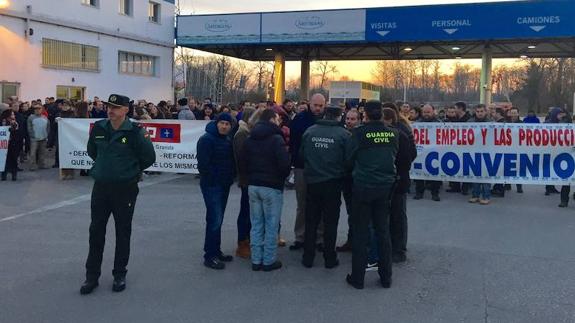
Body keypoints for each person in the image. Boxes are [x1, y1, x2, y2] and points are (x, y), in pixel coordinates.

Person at [80, 94, 156, 295]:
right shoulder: (99, 127)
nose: (110, 110)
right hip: (101, 187)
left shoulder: (135, 131)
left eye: (115, 107)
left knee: (123, 232)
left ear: (125, 110)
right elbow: (92, 151)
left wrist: (129, 171)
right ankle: (91, 276)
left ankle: (119, 274)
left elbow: (148, 157)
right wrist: (106, 167)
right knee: (96, 231)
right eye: (108, 106)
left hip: (125, 189)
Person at [346, 100, 398, 290]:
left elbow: (349, 158)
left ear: (365, 115)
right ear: (382, 115)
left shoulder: (359, 133)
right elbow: (395, 155)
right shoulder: (393, 133)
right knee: (383, 231)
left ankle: (358, 279)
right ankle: (386, 278)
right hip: (385, 187)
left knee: (361, 233)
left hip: (363, 186)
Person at [239, 109, 291, 271]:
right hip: (272, 186)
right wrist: (281, 178)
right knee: (271, 225)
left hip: (253, 186)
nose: (279, 121)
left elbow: (242, 163)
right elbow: (284, 165)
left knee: (256, 223)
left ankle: (256, 260)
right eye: (277, 118)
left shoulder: (249, 138)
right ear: (271, 119)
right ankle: (268, 260)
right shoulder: (276, 139)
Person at [299, 106, 351, 269]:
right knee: (330, 222)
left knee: (311, 221)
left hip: (313, 181)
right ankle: (329, 257)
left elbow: (302, 155)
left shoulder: (310, 131)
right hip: (333, 183)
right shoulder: (344, 135)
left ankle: (308, 257)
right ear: (338, 117)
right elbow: (349, 159)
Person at [197, 113, 236, 270]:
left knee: (218, 220)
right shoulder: (206, 140)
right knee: (214, 220)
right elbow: (203, 165)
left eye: (227, 124)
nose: (224, 126)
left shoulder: (226, 139)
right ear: (217, 123)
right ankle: (210, 255)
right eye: (222, 123)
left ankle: (216, 251)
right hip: (212, 185)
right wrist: (215, 178)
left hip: (224, 184)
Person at [288, 93, 326, 251]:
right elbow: (293, 143)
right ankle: (300, 237)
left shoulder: (328, 120)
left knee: (322, 205)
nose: (317, 108)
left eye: (320, 106)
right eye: (315, 105)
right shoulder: (299, 119)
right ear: (309, 103)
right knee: (302, 204)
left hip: (323, 170)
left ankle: (319, 238)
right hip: (302, 167)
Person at [382, 105, 417, 263]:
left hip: (398, 178)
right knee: (394, 214)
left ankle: (399, 249)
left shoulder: (400, 132)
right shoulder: (401, 129)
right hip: (396, 178)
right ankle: (392, 247)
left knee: (397, 214)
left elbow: (410, 155)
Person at [232, 107, 256, 259]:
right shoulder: (242, 134)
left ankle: (247, 239)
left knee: (249, 211)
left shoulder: (247, 132)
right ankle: (242, 242)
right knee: (245, 212)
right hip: (246, 179)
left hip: (249, 178)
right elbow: (241, 159)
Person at [337, 109, 361, 252]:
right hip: (346, 179)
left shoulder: (360, 135)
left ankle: (357, 241)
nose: (350, 122)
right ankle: (351, 241)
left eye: (353, 119)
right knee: (351, 213)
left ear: (358, 120)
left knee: (358, 213)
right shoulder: (342, 133)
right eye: (348, 119)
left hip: (357, 179)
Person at [413, 104, 441, 201]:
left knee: (435, 174)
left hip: (435, 152)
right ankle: (419, 192)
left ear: (433, 112)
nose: (426, 114)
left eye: (428, 112)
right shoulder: (417, 123)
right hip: (421, 152)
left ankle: (435, 193)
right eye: (424, 112)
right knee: (419, 173)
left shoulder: (439, 123)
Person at [545, 107, 571, 207]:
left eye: (563, 114)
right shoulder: (549, 124)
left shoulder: (569, 123)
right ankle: (564, 200)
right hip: (561, 153)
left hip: (569, 153)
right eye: (560, 114)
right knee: (567, 179)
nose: (562, 116)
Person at [468, 104, 492, 205]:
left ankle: (486, 196)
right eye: (477, 111)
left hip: (488, 152)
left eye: (481, 111)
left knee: (485, 175)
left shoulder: (491, 123)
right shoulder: (469, 123)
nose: (479, 113)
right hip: (474, 151)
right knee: (475, 174)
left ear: (485, 112)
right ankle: (475, 195)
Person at [27, 103, 49, 171]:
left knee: (42, 152)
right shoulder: (30, 117)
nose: (37, 110)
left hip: (43, 138)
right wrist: (32, 135)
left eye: (39, 108)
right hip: (34, 138)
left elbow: (48, 127)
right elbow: (29, 127)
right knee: (33, 153)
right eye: (36, 109)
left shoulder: (45, 118)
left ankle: (41, 165)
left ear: (42, 109)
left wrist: (46, 135)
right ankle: (32, 166)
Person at [1, 110, 21, 181]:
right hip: (4, 144)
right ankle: (3, 174)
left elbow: (17, 132)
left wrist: (13, 127)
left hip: (13, 144)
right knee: (4, 160)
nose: (13, 116)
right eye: (12, 114)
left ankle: (14, 174)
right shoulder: (2, 122)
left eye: (13, 115)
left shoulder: (15, 122)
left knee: (13, 159)